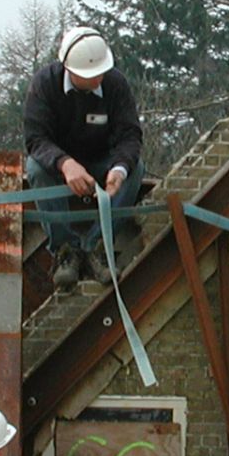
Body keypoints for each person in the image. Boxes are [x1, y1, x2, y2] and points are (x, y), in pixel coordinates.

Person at [21, 25, 144, 292]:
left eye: (100, 72)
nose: (97, 79)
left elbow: (130, 135)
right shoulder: (44, 85)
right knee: (36, 169)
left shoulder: (115, 85)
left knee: (136, 169)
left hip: (103, 162)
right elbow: (35, 139)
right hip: (58, 165)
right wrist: (65, 163)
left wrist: (120, 168)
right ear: (68, 68)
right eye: (90, 75)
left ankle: (97, 248)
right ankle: (66, 252)